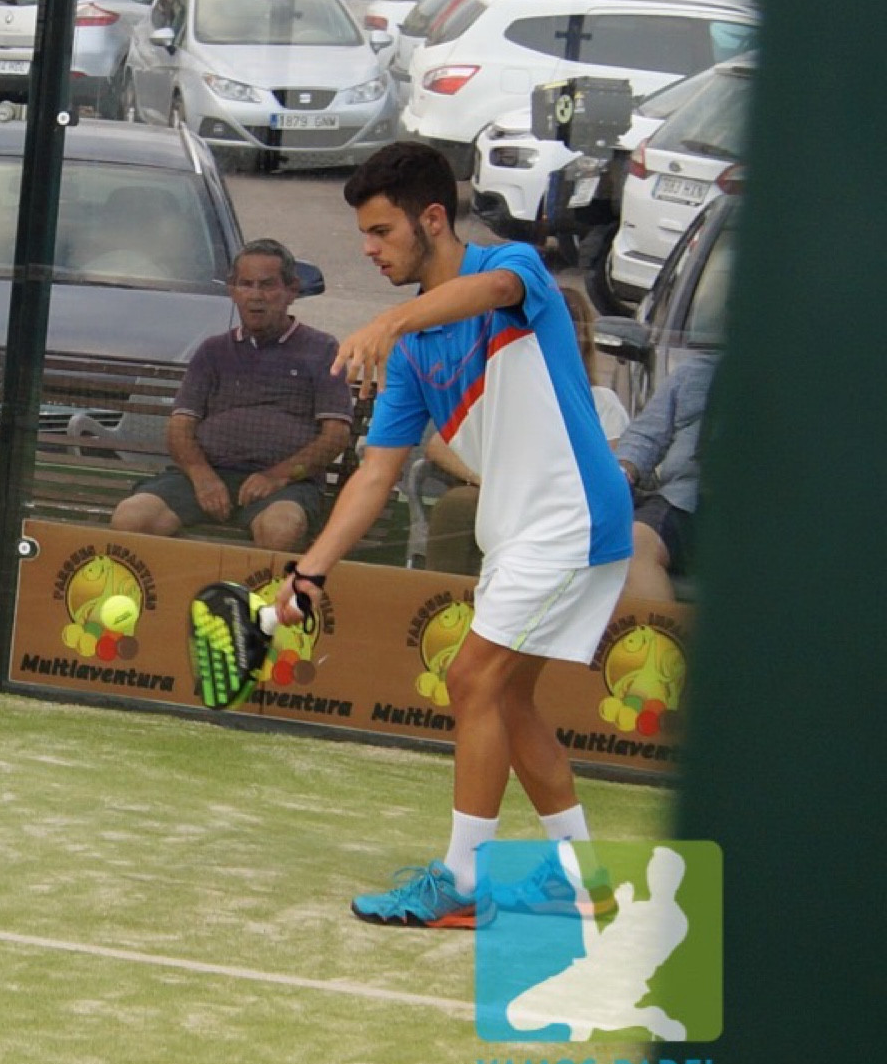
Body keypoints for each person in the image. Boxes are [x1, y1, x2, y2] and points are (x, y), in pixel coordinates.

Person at [275, 142, 633, 929]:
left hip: (571, 517)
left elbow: (494, 290)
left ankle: (463, 882)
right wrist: (311, 572)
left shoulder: (512, 270)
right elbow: (376, 474)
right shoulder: (410, 353)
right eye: (363, 235)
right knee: (508, 700)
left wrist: (388, 320)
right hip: (521, 533)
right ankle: (585, 881)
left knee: (472, 680)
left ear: (432, 219)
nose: (368, 250)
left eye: (381, 232)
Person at [109, 239, 353, 551]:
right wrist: (202, 476)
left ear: (291, 291)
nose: (255, 296)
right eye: (246, 285)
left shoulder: (322, 349)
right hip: (207, 475)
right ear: (233, 291)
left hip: (285, 485)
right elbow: (180, 427)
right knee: (131, 518)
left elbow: (336, 435)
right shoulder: (213, 351)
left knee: (281, 530)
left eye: (267, 285)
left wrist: (277, 477)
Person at [423, 286, 629, 575]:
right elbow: (438, 444)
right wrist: (485, 479)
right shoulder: (501, 392)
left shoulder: (601, 403)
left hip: (562, 507)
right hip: (501, 496)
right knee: (457, 505)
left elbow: (609, 472)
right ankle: (447, 597)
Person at [617, 354, 714, 602]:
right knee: (634, 543)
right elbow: (646, 435)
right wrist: (623, 474)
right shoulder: (692, 371)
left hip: (763, 509)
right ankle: (657, 627)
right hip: (683, 502)